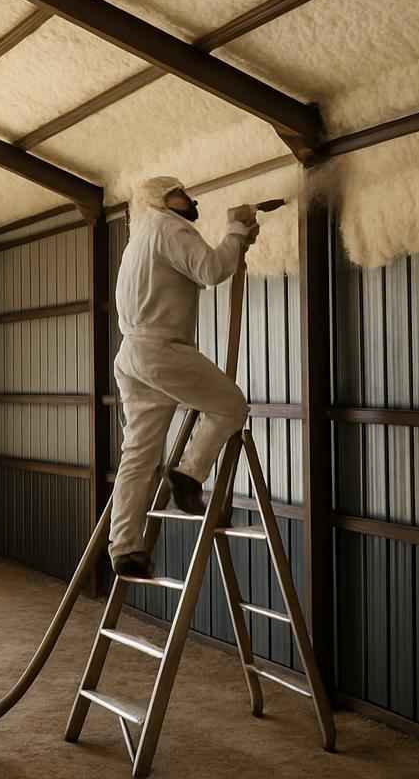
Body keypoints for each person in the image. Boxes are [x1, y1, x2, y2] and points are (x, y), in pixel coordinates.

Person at [109, 176, 258, 579]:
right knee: (231, 406)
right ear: (162, 199)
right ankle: (189, 473)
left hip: (131, 353)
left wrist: (237, 240)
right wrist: (236, 231)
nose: (188, 199)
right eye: (179, 193)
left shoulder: (139, 237)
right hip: (162, 349)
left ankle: (124, 549)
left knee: (138, 454)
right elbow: (210, 269)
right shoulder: (168, 226)